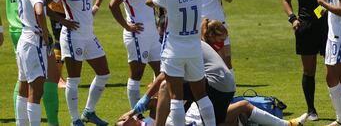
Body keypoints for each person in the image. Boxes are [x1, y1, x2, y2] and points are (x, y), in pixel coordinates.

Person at [116, 41, 308, 126]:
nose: (123, 120)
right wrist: (140, 106)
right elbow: (163, 79)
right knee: (239, 108)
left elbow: (164, 80)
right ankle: (287, 124)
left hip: (207, 98)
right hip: (207, 103)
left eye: (122, 120)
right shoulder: (151, 119)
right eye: (122, 123)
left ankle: (286, 124)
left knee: (234, 113)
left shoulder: (151, 116)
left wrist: (138, 107)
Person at [45, 0, 110, 126]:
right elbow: (43, 5)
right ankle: (75, 120)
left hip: (89, 36)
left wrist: (96, 6)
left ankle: (88, 112)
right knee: (74, 79)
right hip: (73, 37)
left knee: (104, 74)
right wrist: (62, 21)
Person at [146, 0, 216, 126]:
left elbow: (148, 2)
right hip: (194, 51)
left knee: (176, 98)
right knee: (202, 95)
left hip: (174, 52)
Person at [5, 0, 60, 124]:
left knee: (23, 80)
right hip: (30, 29)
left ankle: (22, 122)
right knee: (48, 80)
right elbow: (38, 2)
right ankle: (53, 122)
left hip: (15, 26)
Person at [109, 0, 161, 111]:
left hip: (152, 34)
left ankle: (157, 109)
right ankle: (135, 116)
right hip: (138, 35)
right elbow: (113, 5)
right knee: (137, 75)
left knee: (162, 72)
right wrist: (127, 25)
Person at [282, 0, 330, 121]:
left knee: (333, 70)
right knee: (309, 71)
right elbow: (286, 1)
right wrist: (293, 18)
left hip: (327, 27)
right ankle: (311, 110)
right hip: (306, 29)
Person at [15, 0, 52, 126]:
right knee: (36, 91)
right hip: (34, 42)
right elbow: (39, 10)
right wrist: (45, 34)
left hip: (24, 39)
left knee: (23, 88)